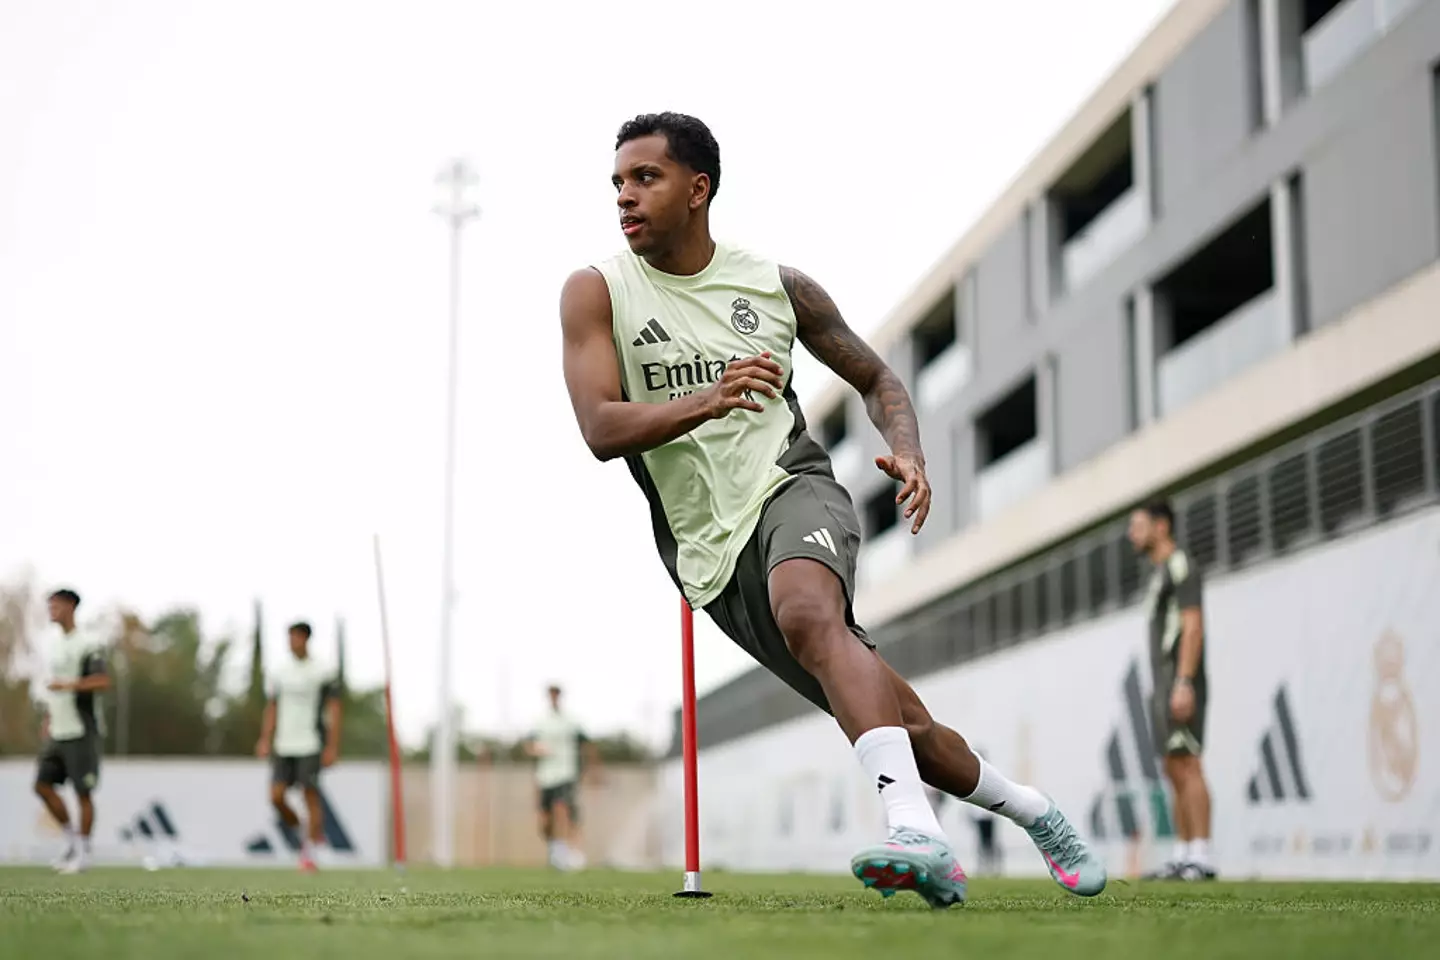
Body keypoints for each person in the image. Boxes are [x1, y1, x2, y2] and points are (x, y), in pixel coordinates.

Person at [559, 111, 1107, 907]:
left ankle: (916, 835)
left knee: (808, 612)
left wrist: (909, 451)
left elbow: (878, 379)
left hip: (792, 486)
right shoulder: (596, 292)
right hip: (707, 553)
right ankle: (1034, 811)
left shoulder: (778, 287)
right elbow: (600, 429)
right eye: (617, 182)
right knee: (908, 728)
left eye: (645, 178)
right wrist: (709, 400)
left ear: (698, 189)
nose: (624, 196)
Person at [1128, 500, 1216, 882]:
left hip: (1180, 681)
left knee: (1188, 763)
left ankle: (1202, 856)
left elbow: (1193, 626)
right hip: (1163, 685)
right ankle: (1183, 855)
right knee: (1172, 765)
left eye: (1138, 525)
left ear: (1161, 526)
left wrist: (1184, 681)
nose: (1132, 534)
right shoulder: (1158, 573)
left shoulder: (1180, 565)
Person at [34, 588, 110, 874]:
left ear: (70, 606)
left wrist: (67, 685)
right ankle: (71, 842)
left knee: (83, 793)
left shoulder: (88, 643)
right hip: (58, 729)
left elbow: (102, 680)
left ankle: (84, 852)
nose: (51, 610)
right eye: (49, 605)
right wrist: (48, 718)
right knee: (42, 786)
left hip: (81, 730)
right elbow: (53, 688)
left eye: (56, 605)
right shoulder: (53, 645)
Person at [256, 621, 342, 872]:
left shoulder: (322, 671)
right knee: (276, 796)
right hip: (284, 744)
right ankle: (301, 829)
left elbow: (335, 708)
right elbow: (272, 706)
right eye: (289, 637)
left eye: (296, 637)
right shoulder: (279, 671)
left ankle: (310, 852)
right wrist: (265, 738)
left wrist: (332, 746)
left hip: (311, 743)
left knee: (310, 794)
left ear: (305, 639)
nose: (292, 642)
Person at [522, 684, 601, 870]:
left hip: (566, 773)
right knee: (545, 821)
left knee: (562, 810)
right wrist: (536, 750)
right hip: (545, 776)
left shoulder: (571, 721)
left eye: (556, 695)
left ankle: (571, 853)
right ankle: (555, 849)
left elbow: (587, 745)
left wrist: (593, 771)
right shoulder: (540, 722)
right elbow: (528, 746)